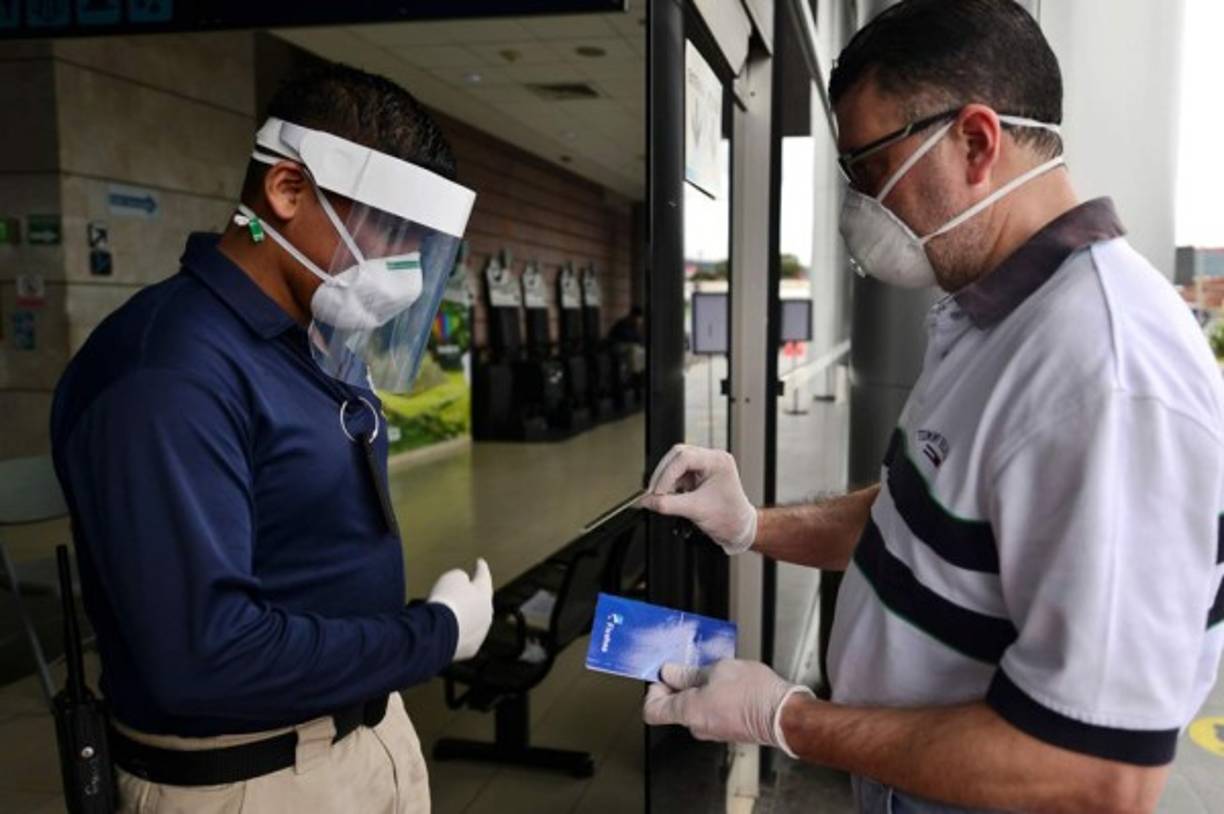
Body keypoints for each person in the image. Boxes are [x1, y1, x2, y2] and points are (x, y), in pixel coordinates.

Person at [639, 2, 1224, 812]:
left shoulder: (1105, 376)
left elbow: (1097, 773)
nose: (859, 212)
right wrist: (751, 525)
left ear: (977, 142)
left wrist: (791, 719)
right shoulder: (992, 316)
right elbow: (925, 517)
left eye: (872, 173)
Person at [50, 63, 493, 813]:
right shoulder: (167, 371)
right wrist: (436, 635)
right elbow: (206, 657)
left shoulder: (303, 340)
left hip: (363, 738)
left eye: (412, 240)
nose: (401, 266)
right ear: (287, 191)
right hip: (253, 780)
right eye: (382, 228)